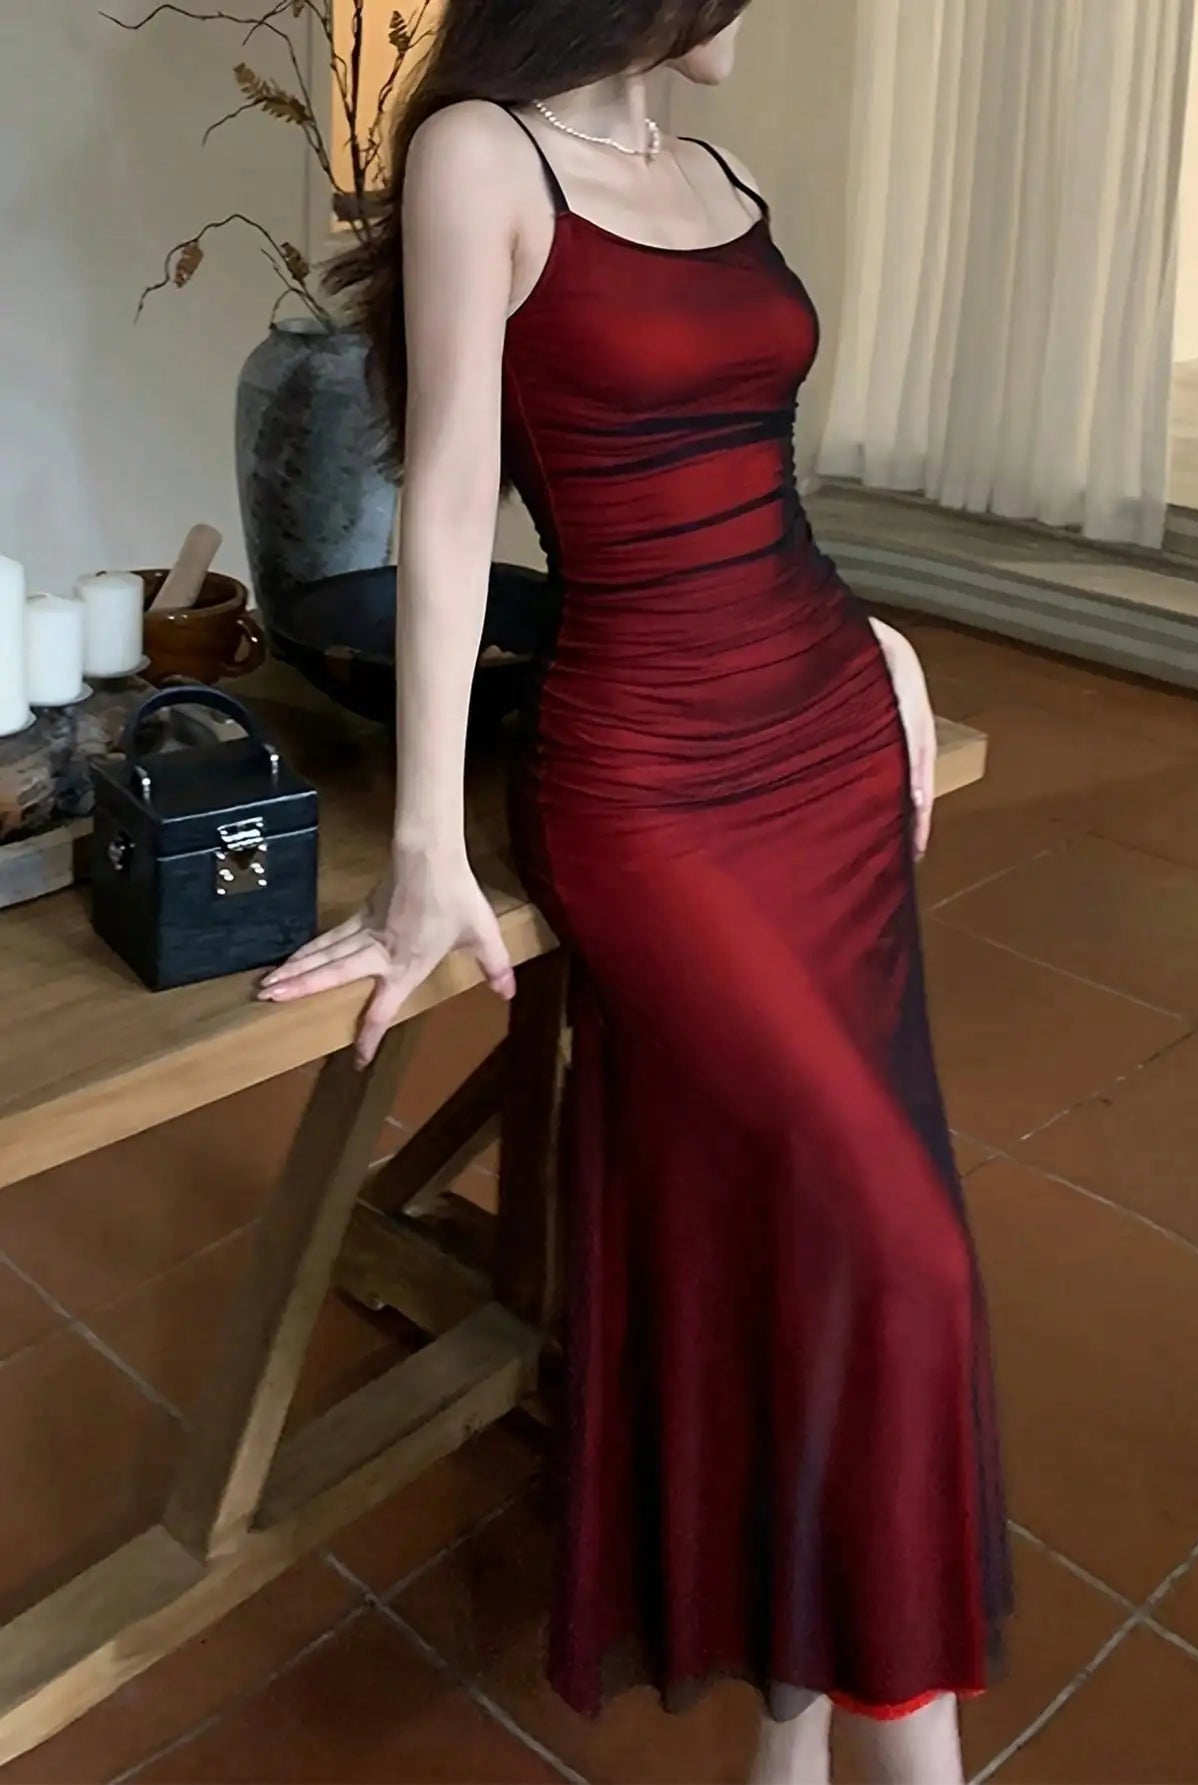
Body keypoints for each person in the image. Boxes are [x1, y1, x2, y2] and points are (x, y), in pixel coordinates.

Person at [259, 3, 1011, 1779]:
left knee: (812, 1247)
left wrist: (883, 644)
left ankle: (795, 1742)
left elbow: (755, 482)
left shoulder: (714, 171)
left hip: (825, 734)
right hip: (654, 786)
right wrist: (428, 847)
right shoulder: (483, 157)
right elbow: (449, 504)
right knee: (899, 1255)